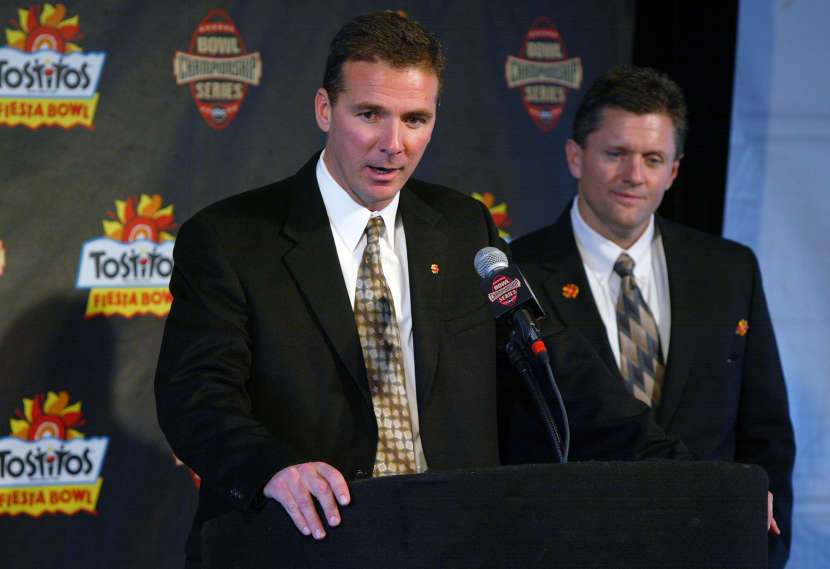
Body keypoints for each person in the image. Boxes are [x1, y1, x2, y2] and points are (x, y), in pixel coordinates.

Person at [509, 65, 796, 567]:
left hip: (706, 552)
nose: (634, 175)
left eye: (652, 158)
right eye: (616, 153)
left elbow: (766, 433)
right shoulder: (517, 276)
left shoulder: (729, 270)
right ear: (576, 156)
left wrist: (764, 553)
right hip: (566, 551)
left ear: (675, 170)